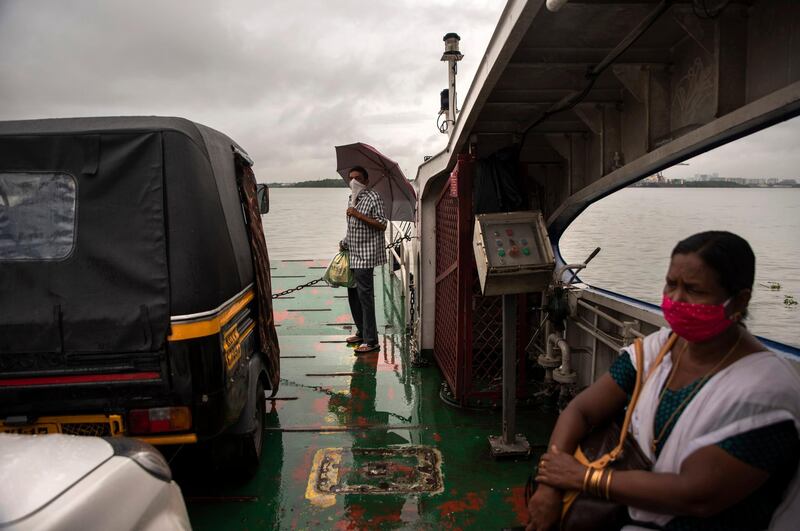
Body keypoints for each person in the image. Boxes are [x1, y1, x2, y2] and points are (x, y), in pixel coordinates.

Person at [526, 231, 800, 531]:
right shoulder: (660, 349)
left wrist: (583, 478)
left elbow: (695, 496)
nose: (676, 299)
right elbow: (581, 410)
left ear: (739, 300)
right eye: (671, 284)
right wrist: (550, 484)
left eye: (693, 290)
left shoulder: (764, 392)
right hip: (625, 512)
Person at [340, 165, 386, 354]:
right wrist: (344, 242)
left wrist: (358, 214)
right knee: (353, 295)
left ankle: (371, 340)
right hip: (353, 253)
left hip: (366, 255)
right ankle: (361, 331)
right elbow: (352, 228)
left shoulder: (374, 197)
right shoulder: (352, 199)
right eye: (351, 178)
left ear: (366, 181)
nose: (354, 181)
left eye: (358, 178)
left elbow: (382, 224)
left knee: (365, 297)